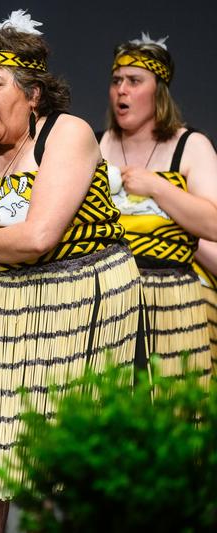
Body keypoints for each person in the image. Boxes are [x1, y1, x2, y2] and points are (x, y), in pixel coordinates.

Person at [0, 11, 145, 532]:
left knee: (60, 453)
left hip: (77, 301)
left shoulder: (66, 134)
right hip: (1, 307)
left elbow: (39, 236)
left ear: (33, 94)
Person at [100, 33, 217, 381]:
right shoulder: (97, 145)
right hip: (110, 294)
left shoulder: (190, 145)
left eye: (134, 81)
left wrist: (156, 187)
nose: (122, 90)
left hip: (174, 291)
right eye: (116, 81)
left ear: (159, 91)